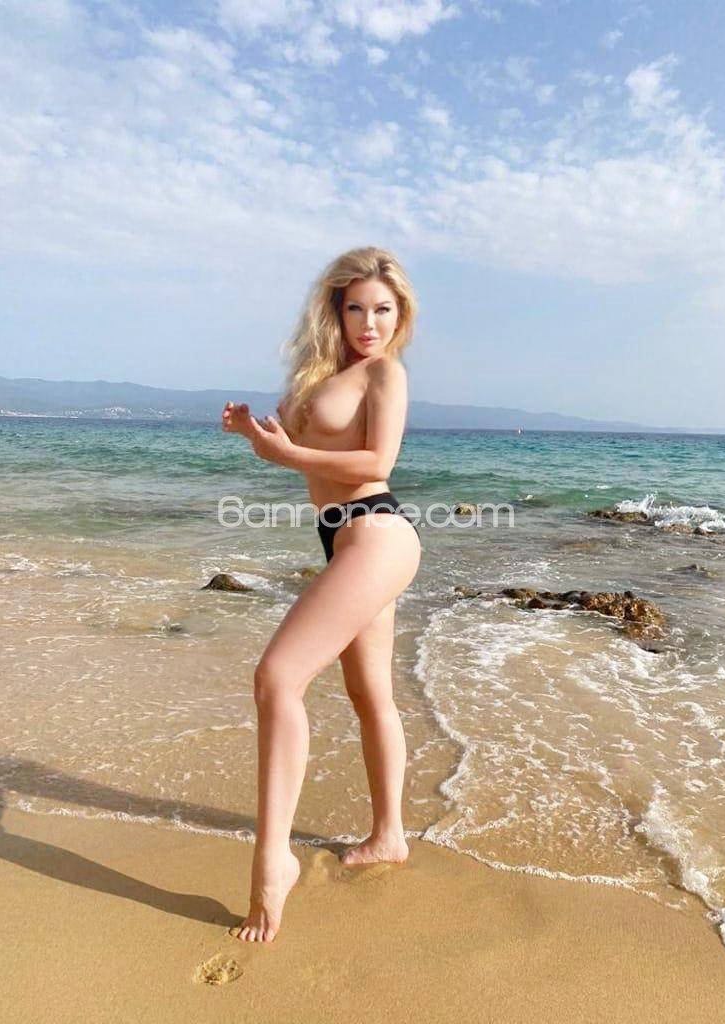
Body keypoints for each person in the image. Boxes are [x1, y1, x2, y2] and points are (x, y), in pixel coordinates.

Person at [221, 246, 422, 942]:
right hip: (342, 535)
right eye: (356, 308)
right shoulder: (325, 375)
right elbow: (306, 465)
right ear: (335, 310)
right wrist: (259, 437)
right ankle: (389, 835)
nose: (370, 323)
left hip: (378, 533)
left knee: (277, 677)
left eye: (383, 310)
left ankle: (272, 860)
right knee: (370, 694)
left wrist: (289, 453)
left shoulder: (385, 372)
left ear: (400, 315)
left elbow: (376, 461)